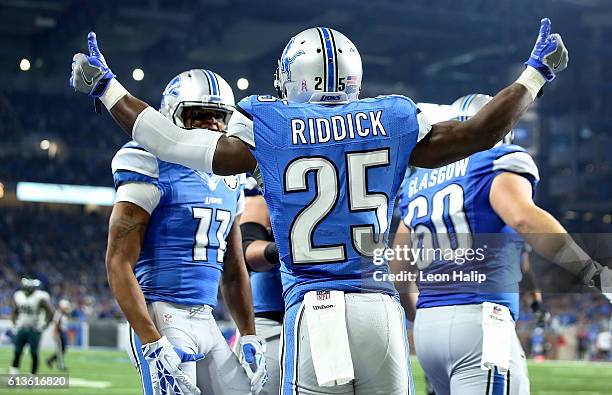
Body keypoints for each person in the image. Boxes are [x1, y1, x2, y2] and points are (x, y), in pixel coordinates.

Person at [70, 19, 574, 394]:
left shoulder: (269, 125)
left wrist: (106, 87)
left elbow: (172, 142)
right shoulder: (393, 116)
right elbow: (480, 131)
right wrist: (534, 75)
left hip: (313, 311)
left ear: (293, 78)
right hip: (381, 309)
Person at [392, 93, 612, 395]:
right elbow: (524, 218)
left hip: (429, 329)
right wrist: (593, 272)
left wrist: (422, 315)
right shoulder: (493, 161)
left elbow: (399, 267)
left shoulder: (417, 183)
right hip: (483, 322)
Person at [105, 69, 266, 395]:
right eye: (198, 115)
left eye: (218, 117)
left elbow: (233, 269)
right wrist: (152, 340)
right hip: (162, 313)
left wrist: (248, 332)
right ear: (171, 116)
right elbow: (118, 262)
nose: (211, 124)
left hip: (205, 318)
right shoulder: (147, 161)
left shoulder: (230, 178)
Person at [238, 177, 284, 395]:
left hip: (330, 310)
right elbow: (248, 251)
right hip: (271, 316)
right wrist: (292, 248)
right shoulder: (264, 187)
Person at [10, 278, 53, 375]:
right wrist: (14, 324)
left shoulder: (40, 297)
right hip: (22, 327)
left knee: (34, 353)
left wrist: (45, 325)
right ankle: (13, 376)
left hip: (34, 329)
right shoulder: (19, 296)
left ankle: (32, 377)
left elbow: (50, 311)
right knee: (17, 352)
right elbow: (14, 311)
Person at [46, 299, 72, 371]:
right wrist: (55, 333)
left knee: (62, 349)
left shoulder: (63, 314)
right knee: (60, 350)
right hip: (58, 333)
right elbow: (56, 324)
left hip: (62, 333)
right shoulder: (58, 314)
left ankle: (50, 360)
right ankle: (60, 365)